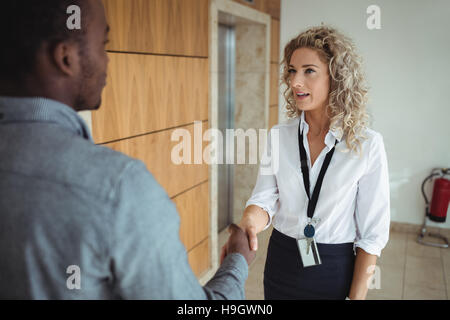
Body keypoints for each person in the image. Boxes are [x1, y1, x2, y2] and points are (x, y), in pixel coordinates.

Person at [0, 0, 255, 299]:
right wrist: (237, 262)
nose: (107, 61)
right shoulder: (118, 187)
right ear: (65, 57)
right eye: (103, 44)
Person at [222, 26, 390, 300]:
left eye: (308, 71)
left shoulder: (367, 144)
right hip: (282, 261)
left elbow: (372, 234)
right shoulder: (279, 136)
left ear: (335, 77)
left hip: (334, 268)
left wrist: (355, 297)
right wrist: (247, 225)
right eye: (291, 70)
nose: (295, 81)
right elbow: (264, 199)